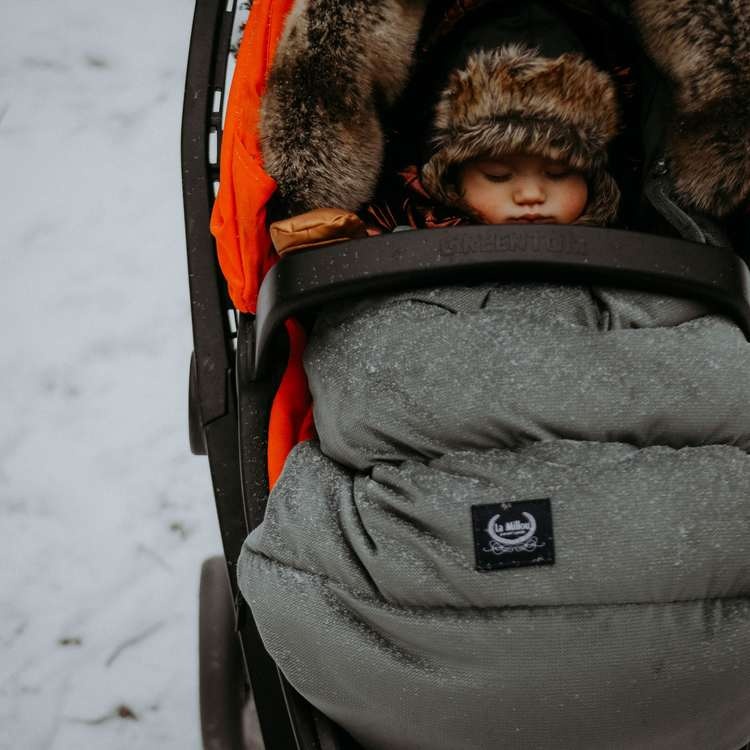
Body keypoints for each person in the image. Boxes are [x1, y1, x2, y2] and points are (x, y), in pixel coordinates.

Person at [268, 20, 622, 255]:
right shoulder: (407, 227)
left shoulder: (618, 248)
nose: (531, 195)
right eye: (498, 175)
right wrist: (343, 248)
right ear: (453, 176)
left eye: (558, 174)